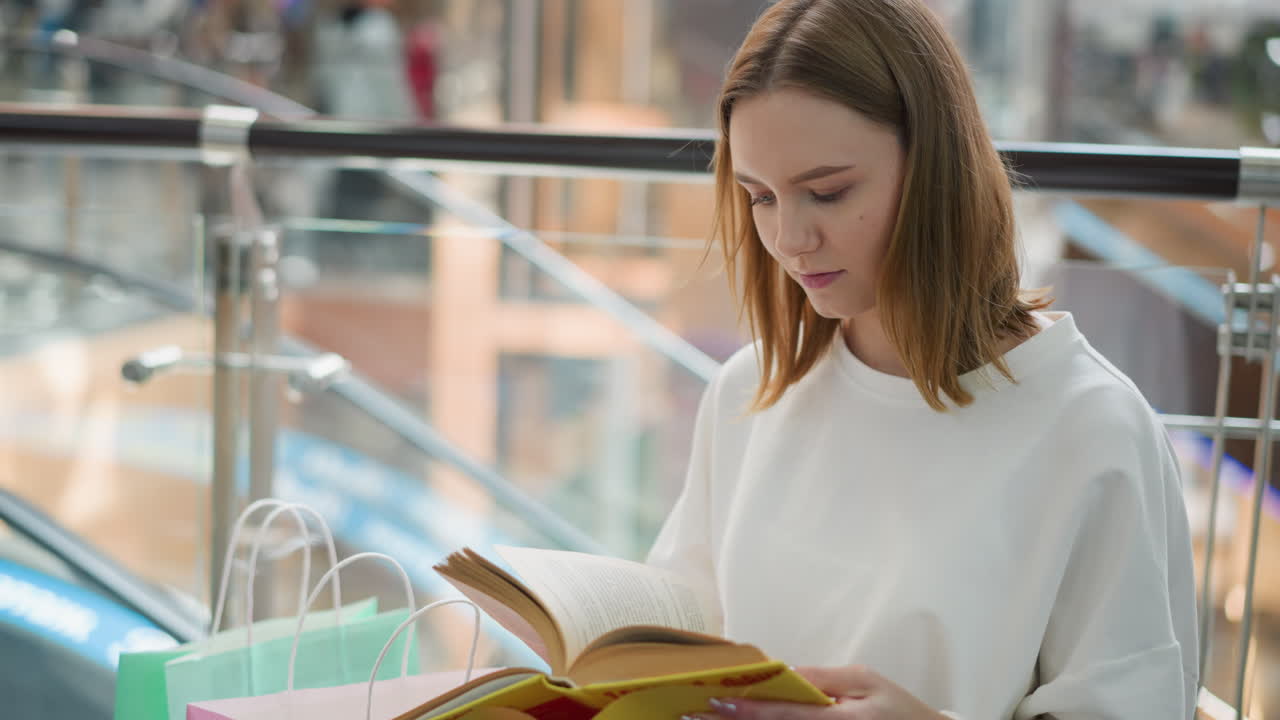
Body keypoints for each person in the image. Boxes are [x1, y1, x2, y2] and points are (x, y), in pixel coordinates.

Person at [646, 1, 1199, 718]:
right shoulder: (748, 394)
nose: (789, 238)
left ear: (935, 166)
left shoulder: (1090, 430)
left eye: (828, 192)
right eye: (759, 197)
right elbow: (673, 648)